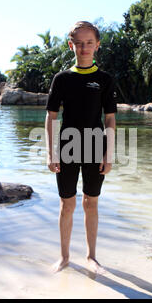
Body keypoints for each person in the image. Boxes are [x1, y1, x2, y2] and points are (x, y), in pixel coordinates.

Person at [45, 21, 117, 274]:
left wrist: (109, 154)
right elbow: (51, 116)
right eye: (79, 43)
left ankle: (91, 256)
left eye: (89, 43)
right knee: (67, 204)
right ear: (70, 45)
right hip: (67, 146)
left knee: (91, 202)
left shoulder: (105, 80)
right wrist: (51, 151)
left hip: (96, 145)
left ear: (97, 45)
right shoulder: (62, 79)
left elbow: (109, 119)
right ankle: (64, 257)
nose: (84, 47)